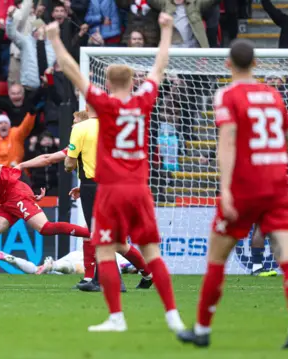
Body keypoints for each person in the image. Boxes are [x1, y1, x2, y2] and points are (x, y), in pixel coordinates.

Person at [45, 12, 184, 333]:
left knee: (105, 250)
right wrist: (165, 31)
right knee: (152, 252)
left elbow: (72, 71)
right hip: (138, 188)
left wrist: (54, 39)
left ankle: (116, 317)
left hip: (109, 189)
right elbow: (161, 66)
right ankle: (173, 314)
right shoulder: (143, 102)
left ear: (107, 83)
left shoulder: (103, 105)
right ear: (133, 81)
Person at [176, 39, 288, 349]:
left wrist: (226, 189)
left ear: (228, 65)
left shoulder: (227, 94)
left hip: (245, 187)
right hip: (276, 184)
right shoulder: (273, 95)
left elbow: (228, 141)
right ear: (256, 64)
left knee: (216, 260)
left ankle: (203, 329)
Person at [18, 111, 153, 292]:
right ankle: (138, 275)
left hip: (100, 188)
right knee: (115, 241)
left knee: (104, 237)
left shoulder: (81, 136)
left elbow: (50, 159)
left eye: (74, 121)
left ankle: (110, 281)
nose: (72, 125)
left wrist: (22, 165)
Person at [0, 250, 132, 275]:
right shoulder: (122, 258)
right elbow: (129, 267)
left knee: (37, 270)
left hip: (77, 254)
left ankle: (9, 258)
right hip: (86, 260)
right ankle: (54, 265)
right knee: (79, 269)